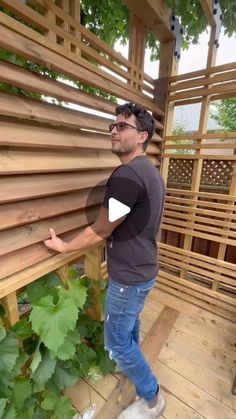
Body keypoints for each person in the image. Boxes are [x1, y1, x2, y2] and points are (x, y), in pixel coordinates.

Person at [44, 102, 166, 419]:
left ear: (142, 136)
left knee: (117, 343)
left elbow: (101, 229)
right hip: (144, 270)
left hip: (129, 277)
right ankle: (135, 370)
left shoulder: (127, 177)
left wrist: (64, 246)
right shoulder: (150, 171)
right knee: (130, 329)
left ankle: (152, 398)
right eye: (112, 125)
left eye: (122, 126)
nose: (113, 130)